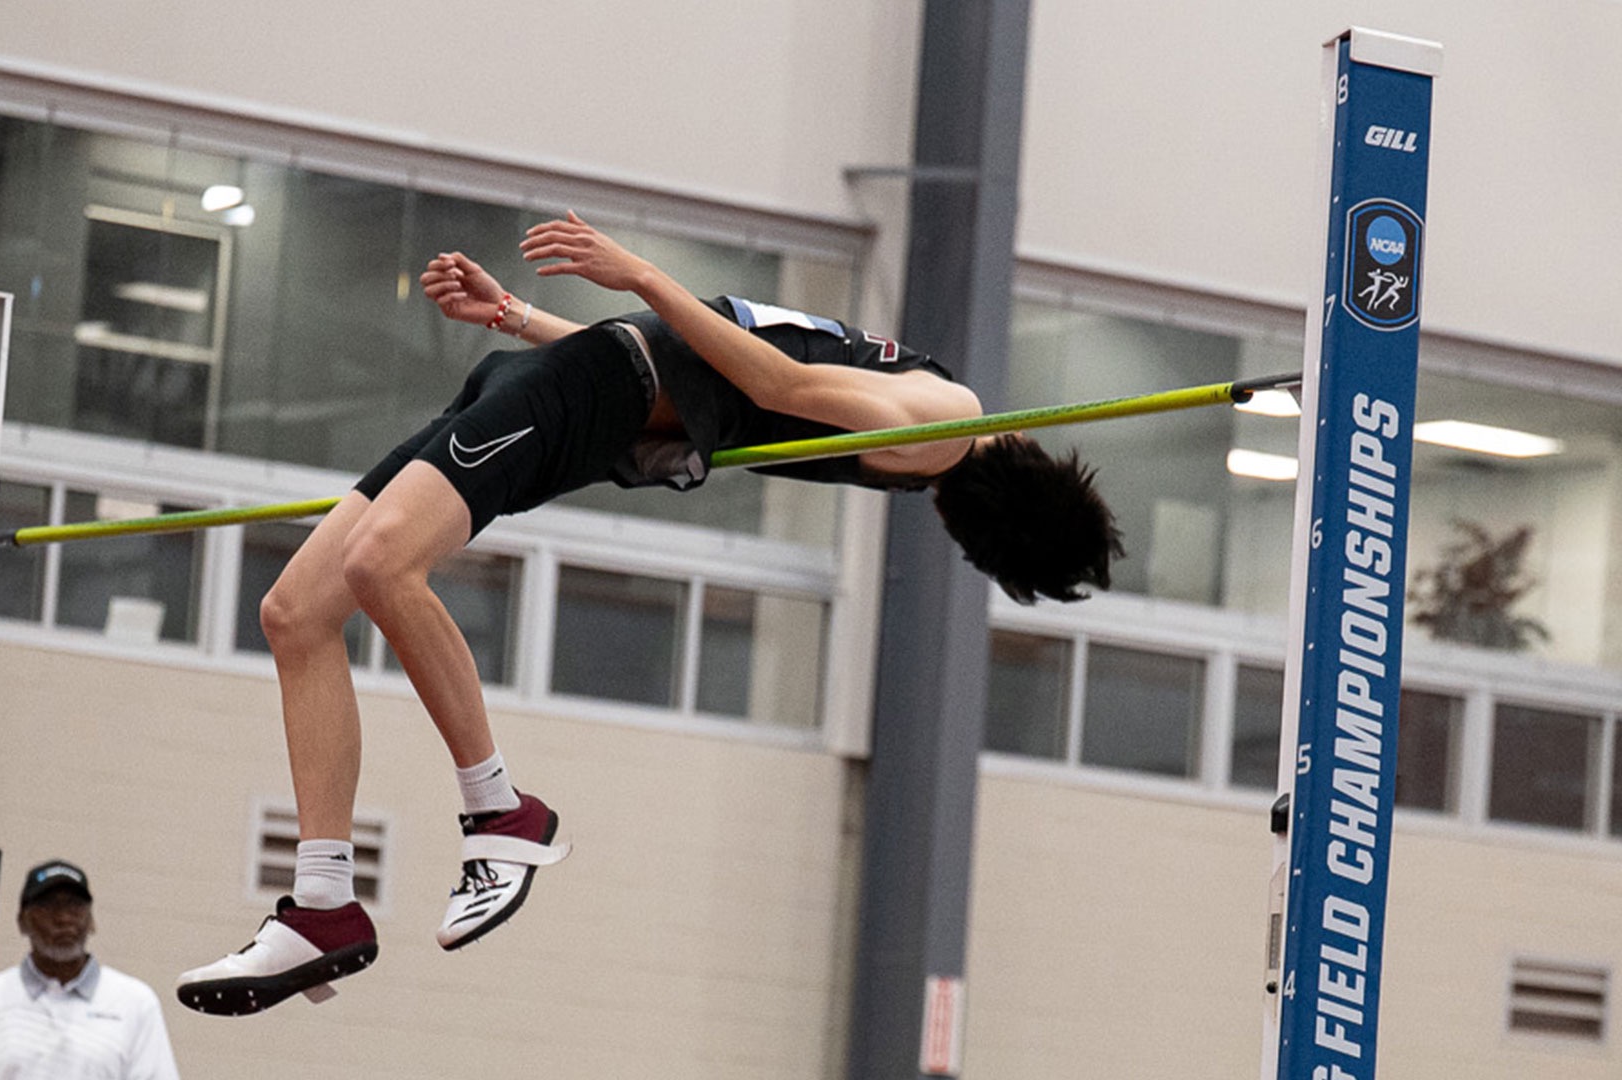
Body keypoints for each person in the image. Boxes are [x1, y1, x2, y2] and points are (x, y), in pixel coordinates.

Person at [176, 213, 1122, 1016]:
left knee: (384, 564)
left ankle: (501, 811)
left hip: (595, 390)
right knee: (296, 609)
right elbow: (744, 377)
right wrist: (541, 308)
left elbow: (739, 379)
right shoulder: (943, 426)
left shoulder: (940, 416)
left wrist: (591, 291)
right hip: (587, 380)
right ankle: (325, 902)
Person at [0, 861, 180, 1080]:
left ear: (92, 920)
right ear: (22, 921)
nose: (64, 918)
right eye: (48, 906)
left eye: (75, 906)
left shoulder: (135, 1003)